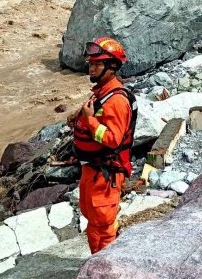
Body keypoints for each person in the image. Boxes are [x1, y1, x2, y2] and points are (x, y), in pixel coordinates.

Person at [68, 36, 135, 254]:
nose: (92, 68)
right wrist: (79, 119)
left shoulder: (116, 100)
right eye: (90, 63)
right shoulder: (102, 93)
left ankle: (104, 268)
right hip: (92, 170)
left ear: (112, 66)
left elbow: (113, 138)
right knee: (93, 221)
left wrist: (89, 120)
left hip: (105, 174)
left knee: (103, 227)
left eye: (98, 63)